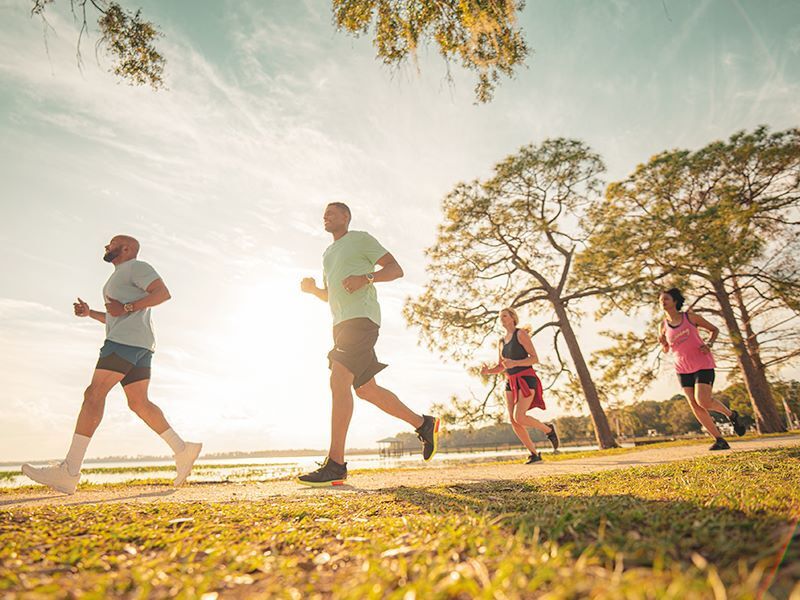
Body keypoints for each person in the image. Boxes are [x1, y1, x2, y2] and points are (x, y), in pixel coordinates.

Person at [21, 235, 202, 494]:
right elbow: (115, 317)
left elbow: (162, 294)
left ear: (126, 249)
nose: (106, 246)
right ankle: (182, 449)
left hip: (125, 342)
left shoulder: (136, 267)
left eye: (111, 243)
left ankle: (69, 471)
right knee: (139, 402)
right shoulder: (118, 276)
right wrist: (89, 313)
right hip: (138, 343)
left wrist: (127, 306)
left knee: (94, 394)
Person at [298, 202, 439, 486]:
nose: (326, 216)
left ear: (346, 217)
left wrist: (367, 278)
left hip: (361, 319)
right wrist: (314, 291)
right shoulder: (328, 254)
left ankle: (335, 463)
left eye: (332, 212)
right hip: (340, 325)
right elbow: (332, 294)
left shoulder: (360, 239)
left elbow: (395, 269)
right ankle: (423, 424)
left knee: (339, 378)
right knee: (365, 390)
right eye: (324, 214)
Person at [659, 287, 746, 450]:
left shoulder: (690, 317)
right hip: (682, 368)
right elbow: (667, 349)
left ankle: (732, 415)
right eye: (660, 300)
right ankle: (720, 439)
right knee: (694, 404)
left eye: (666, 299)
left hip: (702, 363)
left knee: (703, 401)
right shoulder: (663, 325)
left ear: (675, 301)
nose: (662, 303)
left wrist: (709, 344)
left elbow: (714, 330)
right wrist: (663, 343)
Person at [481, 307, 559, 464]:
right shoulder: (501, 341)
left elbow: (534, 358)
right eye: (500, 316)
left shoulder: (521, 334)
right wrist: (488, 371)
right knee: (514, 420)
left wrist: (515, 362)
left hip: (526, 378)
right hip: (510, 381)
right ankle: (534, 454)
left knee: (520, 416)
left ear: (512, 318)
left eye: (504, 316)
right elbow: (501, 366)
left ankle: (548, 430)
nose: (501, 318)